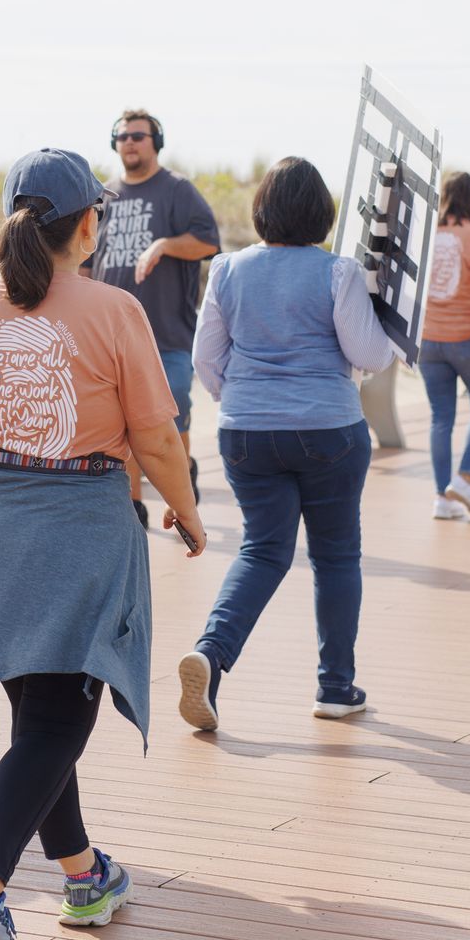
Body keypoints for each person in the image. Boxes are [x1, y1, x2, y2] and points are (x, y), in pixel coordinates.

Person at [0, 148, 206, 940]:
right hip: (83, 526)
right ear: (88, 224)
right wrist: (188, 511)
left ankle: (87, 876)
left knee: (39, 717)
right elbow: (158, 438)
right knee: (61, 722)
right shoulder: (113, 310)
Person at [181, 155, 398, 724]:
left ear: (262, 210)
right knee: (336, 557)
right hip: (328, 431)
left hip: (246, 435)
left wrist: (241, 399)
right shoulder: (338, 272)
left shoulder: (226, 269)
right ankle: (335, 687)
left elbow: (207, 358)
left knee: (262, 551)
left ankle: (211, 653)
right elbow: (370, 355)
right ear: (320, 213)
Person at [87, 108, 221, 519]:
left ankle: (182, 470)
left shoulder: (177, 190)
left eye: (138, 136)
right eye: (122, 135)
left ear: (155, 142)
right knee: (121, 419)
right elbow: (85, 256)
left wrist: (162, 245)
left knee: (174, 405)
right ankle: (134, 505)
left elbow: (207, 242)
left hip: (167, 332)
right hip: (111, 333)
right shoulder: (103, 195)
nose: (129, 141)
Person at [415, 172, 470, 519]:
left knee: (440, 418)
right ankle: (464, 478)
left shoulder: (425, 236)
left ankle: (442, 498)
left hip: (429, 341)